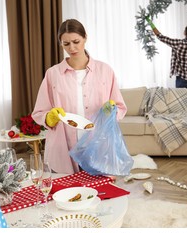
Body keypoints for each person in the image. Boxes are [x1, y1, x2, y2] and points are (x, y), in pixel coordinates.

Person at [32, 19, 127, 174]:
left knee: (101, 194)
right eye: (66, 44)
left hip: (98, 146)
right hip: (63, 148)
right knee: (66, 195)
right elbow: (39, 112)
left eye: (76, 41)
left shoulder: (105, 71)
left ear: (85, 38)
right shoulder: (53, 74)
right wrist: (49, 117)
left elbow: (120, 107)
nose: (72, 48)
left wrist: (111, 112)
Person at [146, 14, 187, 88]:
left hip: (181, 80)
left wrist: (150, 23)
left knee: (180, 100)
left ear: (185, 33)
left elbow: (160, 37)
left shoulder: (179, 44)